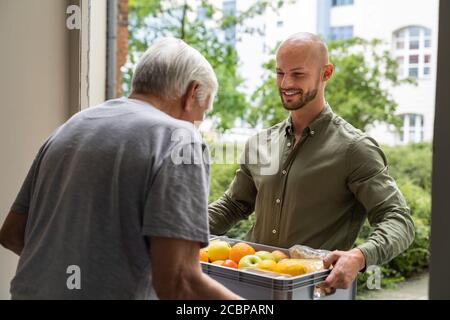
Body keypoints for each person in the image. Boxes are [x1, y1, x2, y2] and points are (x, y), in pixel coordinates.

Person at [0, 37, 241, 300]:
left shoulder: (72, 126)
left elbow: (12, 233)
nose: (196, 126)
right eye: (200, 115)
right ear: (191, 93)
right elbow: (179, 281)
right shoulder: (179, 139)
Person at [208, 32, 415, 289]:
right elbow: (234, 204)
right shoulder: (260, 143)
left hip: (314, 290)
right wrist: (181, 229)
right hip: (252, 284)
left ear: (326, 73)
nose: (285, 83)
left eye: (297, 74)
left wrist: (360, 256)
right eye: (280, 73)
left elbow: (398, 219)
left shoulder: (354, 149)